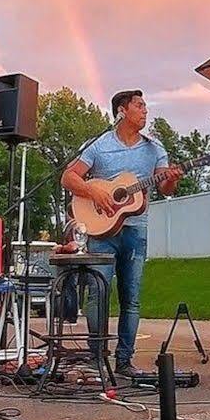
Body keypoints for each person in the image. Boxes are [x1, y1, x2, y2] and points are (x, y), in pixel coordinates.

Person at [62, 90, 182, 378]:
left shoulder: (155, 149)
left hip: (135, 230)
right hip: (100, 230)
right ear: (122, 111)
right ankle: (97, 358)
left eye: (145, 106)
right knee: (96, 294)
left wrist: (172, 180)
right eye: (139, 106)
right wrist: (93, 192)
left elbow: (165, 188)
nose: (145, 111)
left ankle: (125, 362)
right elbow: (68, 177)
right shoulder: (99, 145)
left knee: (132, 298)